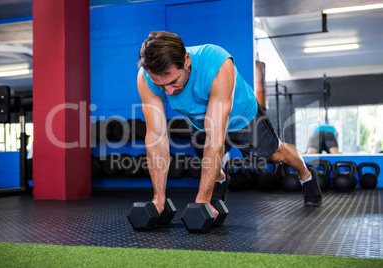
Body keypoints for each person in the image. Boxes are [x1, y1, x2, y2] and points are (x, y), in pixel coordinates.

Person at [137, 31, 322, 218]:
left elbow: (215, 138)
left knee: (276, 154)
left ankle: (306, 174)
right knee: (208, 162)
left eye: (173, 82)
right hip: (201, 122)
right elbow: (156, 138)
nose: (168, 92)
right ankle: (220, 179)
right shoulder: (146, 79)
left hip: (242, 116)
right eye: (161, 86)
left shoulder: (217, 63)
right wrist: (158, 199)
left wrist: (202, 201)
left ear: (186, 60)